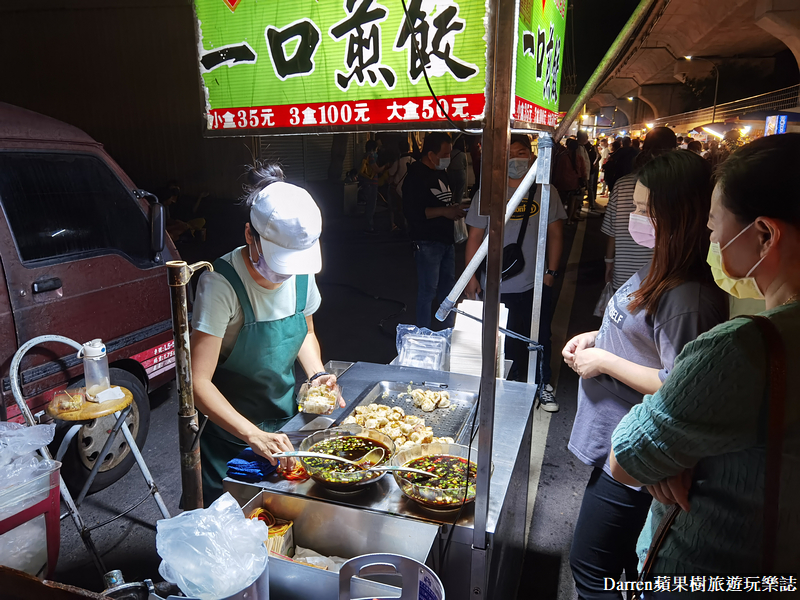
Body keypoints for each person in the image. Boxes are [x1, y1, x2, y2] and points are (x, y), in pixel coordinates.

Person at [610, 133, 800, 578]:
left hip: (711, 571)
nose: (709, 237)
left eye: (714, 225)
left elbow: (627, 457)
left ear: (765, 234)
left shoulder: (742, 348)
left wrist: (670, 450)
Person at [564, 150, 729, 598]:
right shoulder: (661, 266)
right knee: (618, 565)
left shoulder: (689, 297)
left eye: (643, 211)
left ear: (679, 215)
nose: (635, 219)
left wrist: (604, 363)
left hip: (640, 464)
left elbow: (681, 385)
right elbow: (638, 333)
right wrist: (596, 338)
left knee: (593, 570)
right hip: (618, 450)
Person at [190, 162, 344, 506]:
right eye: (278, 261)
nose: (284, 274)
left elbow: (303, 331)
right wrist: (252, 434)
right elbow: (196, 384)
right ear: (249, 235)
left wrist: (317, 374)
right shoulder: (220, 284)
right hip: (232, 437)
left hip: (287, 425)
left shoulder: (301, 272)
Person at [464, 134, 566, 409]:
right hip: (495, 284)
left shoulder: (545, 190)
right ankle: (505, 387)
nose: (515, 159)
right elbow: (474, 237)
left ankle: (543, 384)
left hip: (535, 282)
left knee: (540, 335)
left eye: (521, 152)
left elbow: (556, 234)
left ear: (532, 157)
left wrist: (550, 273)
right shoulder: (487, 193)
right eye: (509, 154)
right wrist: (470, 277)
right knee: (500, 338)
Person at [601, 127, 677, 290]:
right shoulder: (679, 188)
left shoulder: (622, 185)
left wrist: (609, 263)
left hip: (624, 276)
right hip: (664, 279)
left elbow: (612, 233)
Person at [403, 132, 465, 328]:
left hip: (446, 239)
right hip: (427, 241)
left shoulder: (440, 172)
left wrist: (452, 209)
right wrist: (444, 212)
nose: (448, 157)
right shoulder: (414, 176)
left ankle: (447, 329)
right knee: (428, 291)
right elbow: (413, 213)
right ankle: (423, 333)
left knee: (448, 290)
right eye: (445, 153)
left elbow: (442, 200)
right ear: (431, 155)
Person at [386, 140, 414, 232]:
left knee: (396, 208)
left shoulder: (398, 162)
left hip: (398, 190)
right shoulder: (413, 161)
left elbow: (390, 173)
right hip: (411, 190)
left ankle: (396, 225)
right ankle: (410, 225)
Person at [359, 139, 384, 233]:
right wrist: (385, 167)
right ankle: (369, 226)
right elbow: (376, 169)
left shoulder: (365, 156)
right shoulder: (371, 157)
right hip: (371, 183)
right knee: (371, 204)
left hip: (366, 182)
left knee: (368, 204)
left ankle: (368, 224)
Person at [565, 137, 589, 225]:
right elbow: (583, 171)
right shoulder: (579, 158)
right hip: (574, 182)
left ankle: (560, 219)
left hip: (563, 182)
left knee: (562, 202)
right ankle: (569, 219)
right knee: (572, 202)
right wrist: (585, 182)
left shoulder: (562, 156)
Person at [447, 136, 468, 205]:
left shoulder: (451, 153)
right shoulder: (462, 154)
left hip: (451, 172)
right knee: (460, 188)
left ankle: (450, 201)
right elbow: (465, 164)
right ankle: (458, 202)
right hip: (460, 172)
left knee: (451, 188)